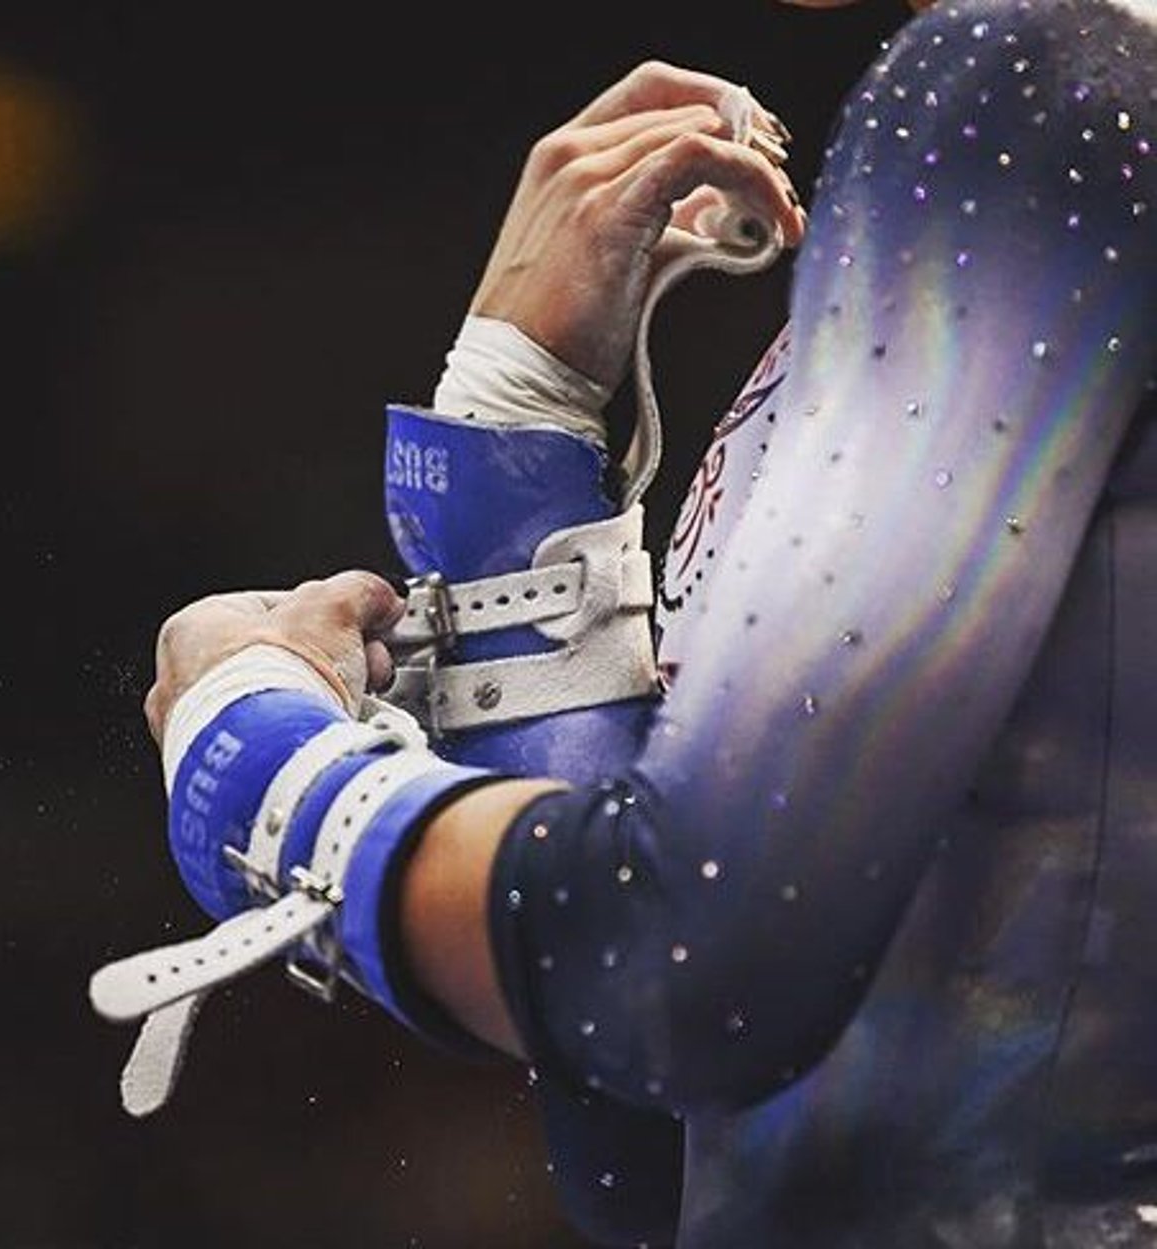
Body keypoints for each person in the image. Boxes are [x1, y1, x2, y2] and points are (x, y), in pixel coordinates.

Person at [90, 0, 1157, 1243]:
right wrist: (515, 464)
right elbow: (675, 1164)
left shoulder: (1040, 90)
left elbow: (680, 969)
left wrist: (255, 761)